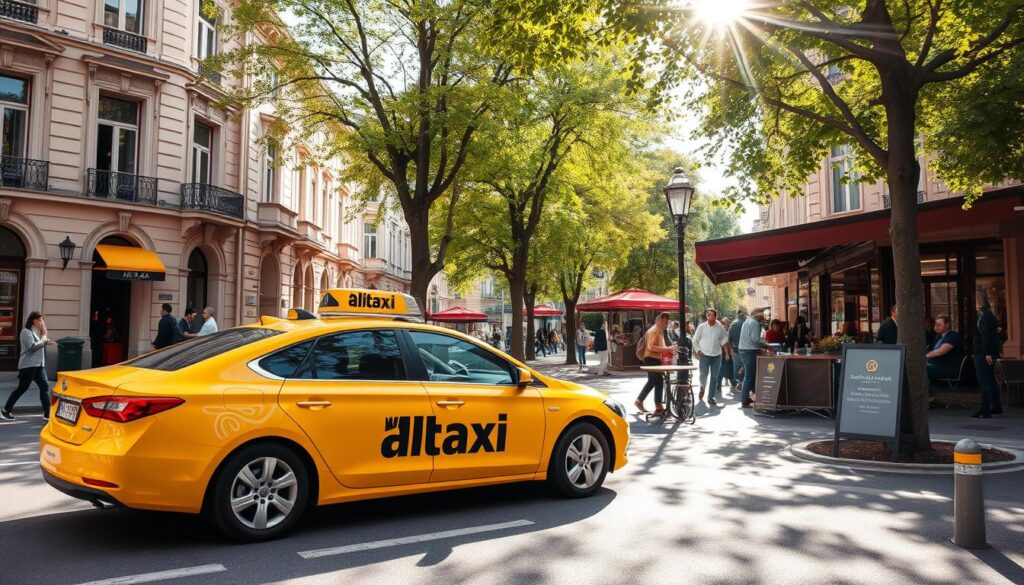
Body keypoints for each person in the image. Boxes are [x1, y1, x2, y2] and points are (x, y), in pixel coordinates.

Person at [1, 312, 56, 421]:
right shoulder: (26, 332)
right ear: (33, 320)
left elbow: (41, 343)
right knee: (22, 388)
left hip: (39, 365)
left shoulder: (38, 332)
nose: (42, 322)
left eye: (42, 320)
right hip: (28, 365)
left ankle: (47, 414)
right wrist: (44, 338)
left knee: (44, 387)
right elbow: (31, 347)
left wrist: (46, 340)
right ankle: (5, 411)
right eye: (40, 320)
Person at [635, 312, 678, 416]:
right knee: (654, 381)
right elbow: (650, 347)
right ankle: (641, 401)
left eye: (667, 322)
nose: (667, 324)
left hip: (654, 359)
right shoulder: (654, 331)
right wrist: (668, 349)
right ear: (660, 321)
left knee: (657, 381)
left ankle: (657, 406)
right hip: (651, 359)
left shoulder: (659, 331)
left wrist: (669, 350)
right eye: (665, 322)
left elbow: (659, 347)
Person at [972, 296, 1003, 418]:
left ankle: (985, 408)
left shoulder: (985, 318)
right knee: (990, 379)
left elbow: (986, 336)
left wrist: (986, 353)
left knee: (984, 380)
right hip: (988, 352)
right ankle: (996, 406)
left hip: (983, 353)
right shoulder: (989, 316)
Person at [692, 308, 730, 406]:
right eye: (709, 315)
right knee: (703, 374)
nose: (711, 317)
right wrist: (698, 350)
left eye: (713, 315)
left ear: (716, 316)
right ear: (707, 316)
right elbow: (695, 340)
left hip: (717, 356)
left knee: (714, 377)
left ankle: (710, 397)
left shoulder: (720, 327)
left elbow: (723, 340)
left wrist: (726, 353)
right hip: (704, 355)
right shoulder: (702, 327)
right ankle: (702, 387)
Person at [738, 311, 773, 408]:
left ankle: (749, 397)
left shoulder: (748, 321)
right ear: (758, 316)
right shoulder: (754, 323)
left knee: (750, 375)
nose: (763, 319)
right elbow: (756, 341)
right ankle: (745, 400)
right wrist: (766, 346)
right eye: (762, 317)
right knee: (749, 376)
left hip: (744, 350)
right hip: (749, 351)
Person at [926, 315, 963, 402]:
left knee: (922, 369)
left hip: (948, 369)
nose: (936, 327)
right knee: (918, 369)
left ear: (947, 325)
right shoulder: (937, 337)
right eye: (935, 325)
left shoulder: (953, 336)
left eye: (939, 324)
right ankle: (927, 396)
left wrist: (926, 356)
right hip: (936, 366)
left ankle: (930, 397)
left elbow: (941, 351)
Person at [728, 309, 747, 390]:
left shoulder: (733, 324)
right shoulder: (746, 324)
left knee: (736, 367)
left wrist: (731, 349)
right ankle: (742, 382)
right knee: (745, 366)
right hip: (745, 349)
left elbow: (729, 338)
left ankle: (737, 382)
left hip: (735, 349)